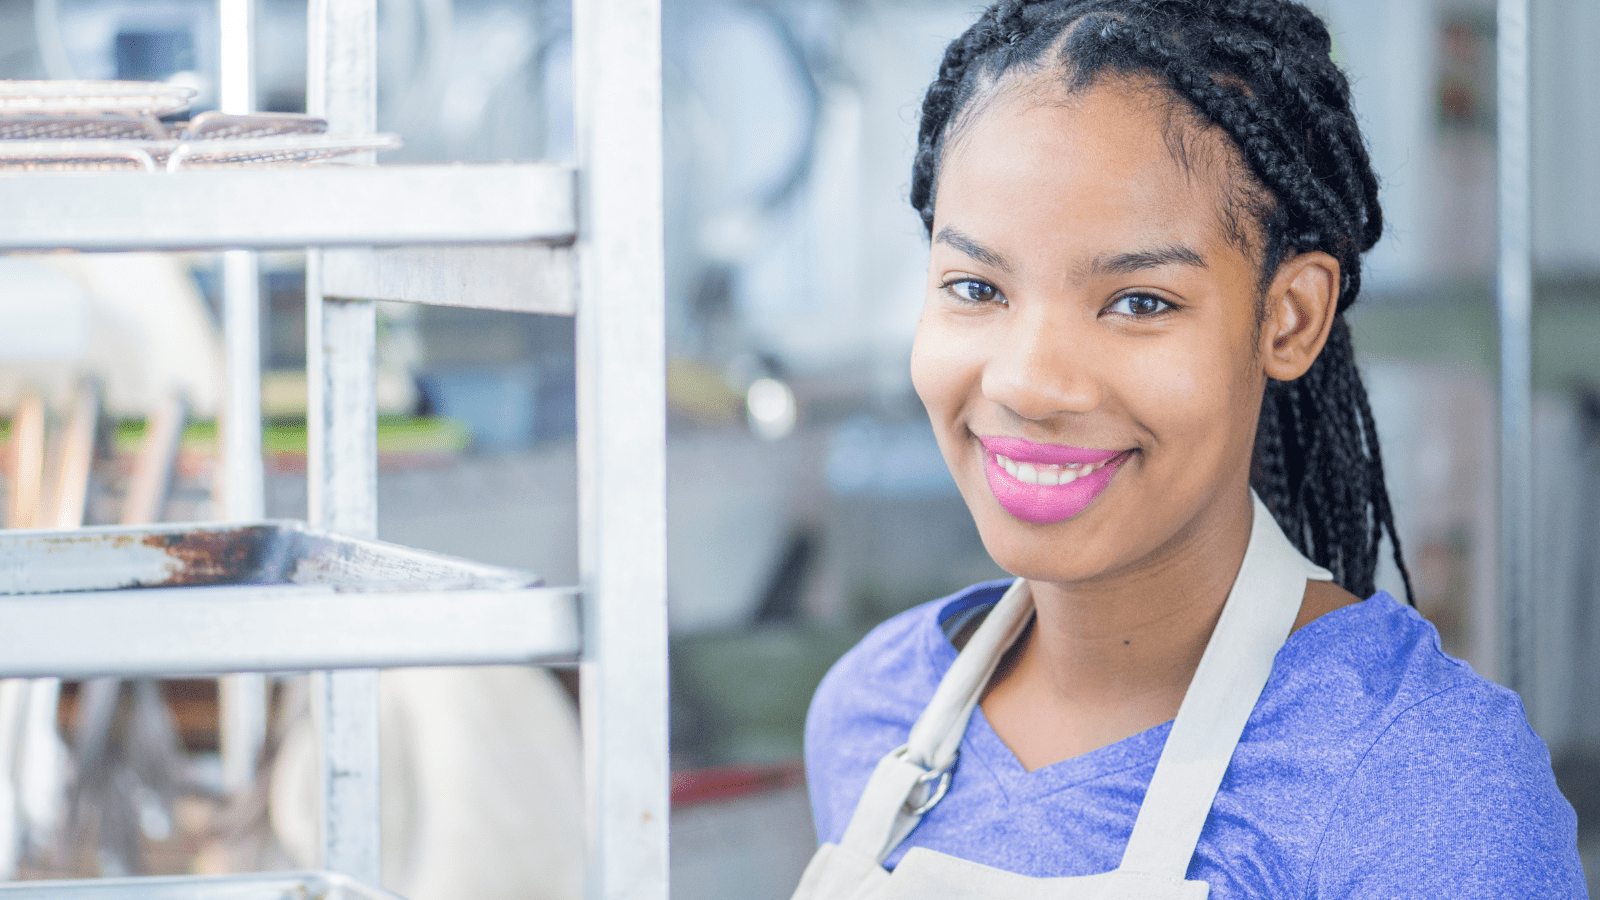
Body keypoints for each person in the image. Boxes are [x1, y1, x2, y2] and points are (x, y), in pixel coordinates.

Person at [794, 1, 1588, 897]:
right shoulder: (870, 709)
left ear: (1289, 318)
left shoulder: (1425, 788)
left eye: (1139, 301)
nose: (1027, 383)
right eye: (975, 286)